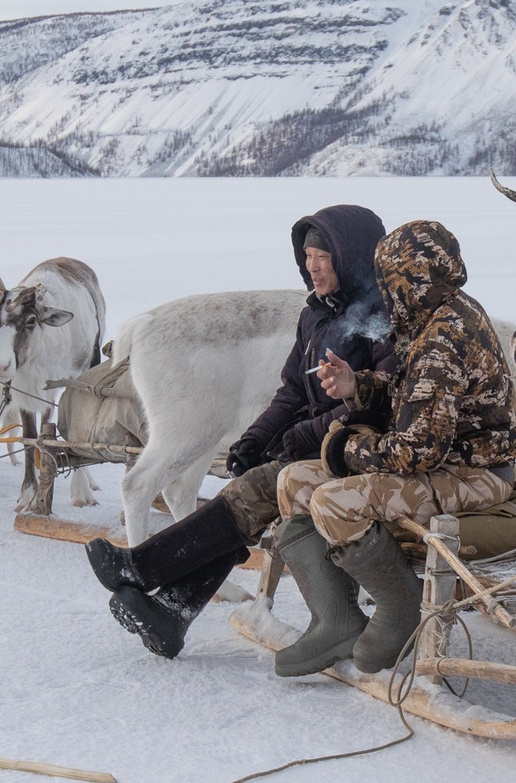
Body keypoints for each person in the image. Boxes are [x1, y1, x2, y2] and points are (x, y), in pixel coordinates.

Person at [86, 204, 387, 657]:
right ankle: (171, 608)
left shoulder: (381, 322)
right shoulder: (318, 314)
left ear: (352, 256)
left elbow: (379, 402)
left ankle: (147, 573)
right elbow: (292, 389)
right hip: (324, 440)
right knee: (252, 489)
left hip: (358, 447)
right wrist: (257, 437)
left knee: (258, 492)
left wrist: (307, 434)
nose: (313, 267)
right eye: (307, 256)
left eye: (324, 257)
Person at [268, 219, 516, 677]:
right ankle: (335, 620)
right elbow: (414, 393)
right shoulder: (432, 314)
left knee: (334, 500)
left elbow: (417, 451)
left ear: (411, 280)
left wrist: (348, 450)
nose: (383, 292)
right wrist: (358, 384)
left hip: (475, 473)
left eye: (388, 280)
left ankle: (400, 609)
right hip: (441, 462)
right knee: (293, 482)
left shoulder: (444, 337)